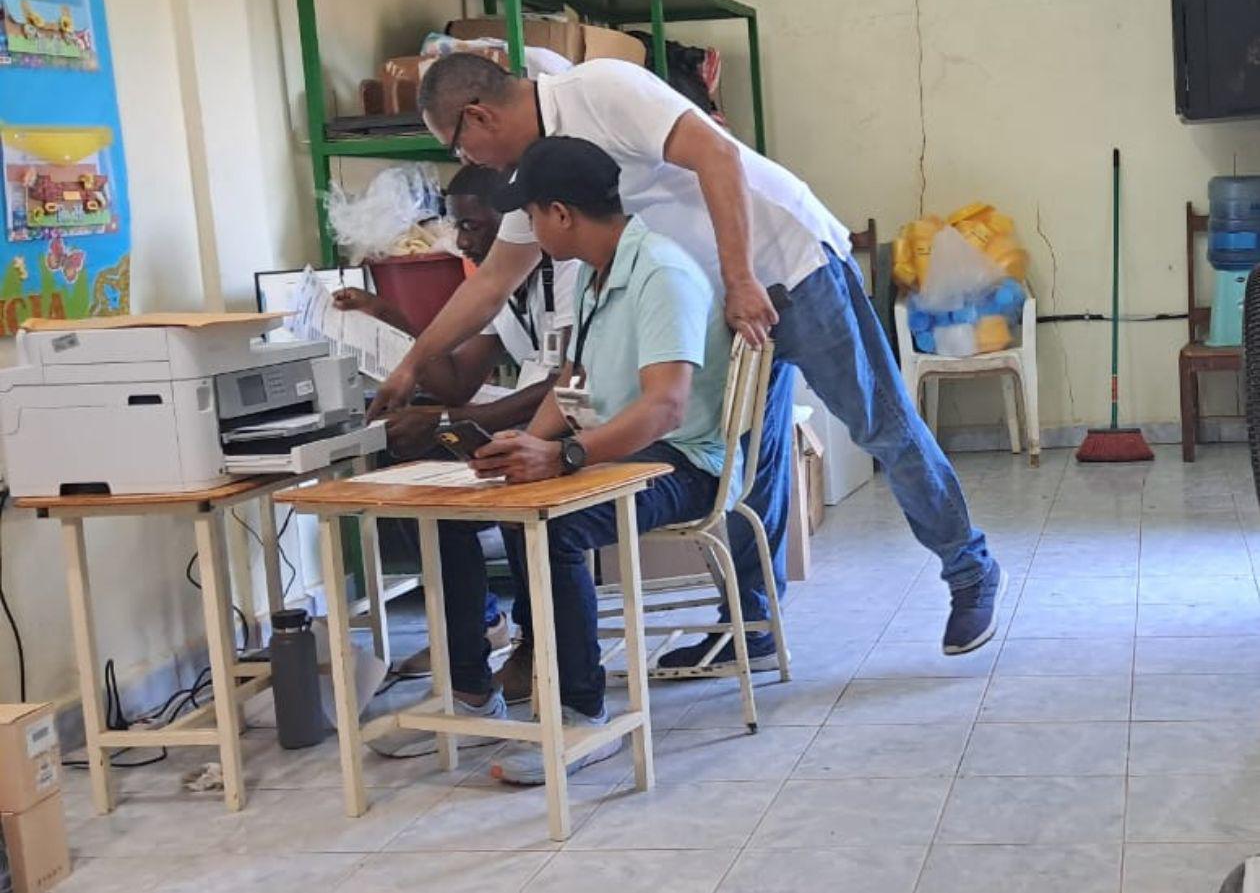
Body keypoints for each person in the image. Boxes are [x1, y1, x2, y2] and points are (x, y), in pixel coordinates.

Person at [370, 53, 1006, 661]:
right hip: (717, 294)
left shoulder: (600, 90)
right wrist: (408, 367)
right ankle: (752, 622)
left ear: (478, 115)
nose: (463, 158)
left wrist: (739, 280)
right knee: (743, 457)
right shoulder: (542, 174)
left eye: (455, 145)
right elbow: (489, 284)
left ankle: (969, 569)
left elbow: (716, 154)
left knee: (878, 423)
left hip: (786, 267)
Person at [443, 136, 732, 784]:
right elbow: (570, 384)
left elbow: (666, 409)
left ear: (561, 214)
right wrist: (523, 446)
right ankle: (479, 688)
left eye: (533, 216)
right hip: (625, 445)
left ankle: (583, 713)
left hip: (686, 462)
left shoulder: (660, 272)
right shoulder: (596, 275)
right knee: (504, 500)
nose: (531, 231)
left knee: (559, 525)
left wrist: (563, 454)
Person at [334, 164, 578, 685]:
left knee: (511, 470)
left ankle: (536, 642)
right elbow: (456, 382)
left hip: (574, 428)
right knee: (408, 467)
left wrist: (451, 420)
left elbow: (573, 383)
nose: (461, 241)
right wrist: (389, 316)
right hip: (526, 421)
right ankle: (471, 638)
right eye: (457, 226)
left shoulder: (568, 272)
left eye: (473, 226)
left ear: (519, 225)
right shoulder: (501, 291)